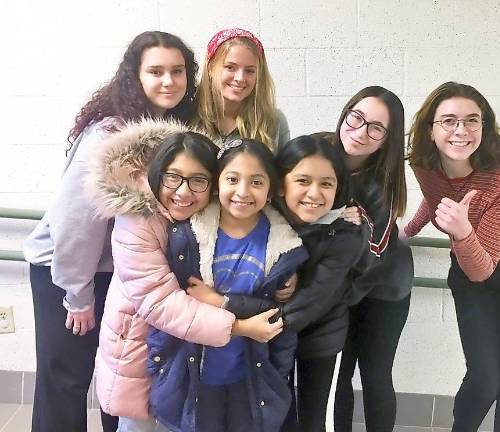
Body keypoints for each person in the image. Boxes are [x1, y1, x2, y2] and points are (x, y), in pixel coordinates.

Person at [22, 30, 199, 432]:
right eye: (155, 71)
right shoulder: (108, 132)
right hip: (67, 271)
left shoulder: (173, 129)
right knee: (66, 378)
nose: (168, 81)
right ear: (135, 76)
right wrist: (77, 295)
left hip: (119, 272)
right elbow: (75, 224)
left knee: (117, 377)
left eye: (177, 71)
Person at [88, 123, 285, 432]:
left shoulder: (209, 216)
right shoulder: (136, 221)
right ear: (157, 174)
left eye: (197, 181)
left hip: (184, 352)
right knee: (139, 425)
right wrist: (240, 327)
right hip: (138, 349)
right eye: (173, 177)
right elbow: (161, 302)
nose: (182, 192)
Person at [402, 81, 500, 432]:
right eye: (448, 120)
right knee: (483, 378)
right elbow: (436, 198)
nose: (460, 130)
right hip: (469, 263)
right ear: (430, 129)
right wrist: (407, 232)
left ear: (484, 127)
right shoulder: (424, 164)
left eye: (472, 120)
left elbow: (483, 268)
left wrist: (462, 231)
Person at [147, 138, 307, 432]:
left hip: (250, 376)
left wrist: (279, 372)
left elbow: (280, 316)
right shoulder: (187, 237)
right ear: (217, 184)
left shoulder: (284, 245)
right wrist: (160, 365)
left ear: (270, 191)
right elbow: (169, 306)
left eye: (257, 182)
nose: (243, 191)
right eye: (233, 179)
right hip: (192, 372)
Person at [328, 86, 414, 432]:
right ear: (346, 112)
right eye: (357, 117)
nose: (361, 132)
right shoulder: (317, 151)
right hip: (339, 284)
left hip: (383, 289)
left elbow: (369, 258)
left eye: (375, 128)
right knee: (338, 371)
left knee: (376, 374)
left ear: (385, 140)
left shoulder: (382, 185)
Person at [273, 135, 369, 431]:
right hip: (274, 339)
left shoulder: (345, 233)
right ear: (280, 183)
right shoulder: (263, 221)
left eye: (326, 183)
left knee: (316, 421)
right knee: (277, 416)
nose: (314, 193)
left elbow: (314, 297)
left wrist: (256, 328)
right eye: (303, 180)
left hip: (319, 340)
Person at [193, 27, 290, 149]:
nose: (240, 78)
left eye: (250, 71)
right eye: (230, 67)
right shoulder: (189, 115)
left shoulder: (274, 121)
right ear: (210, 68)